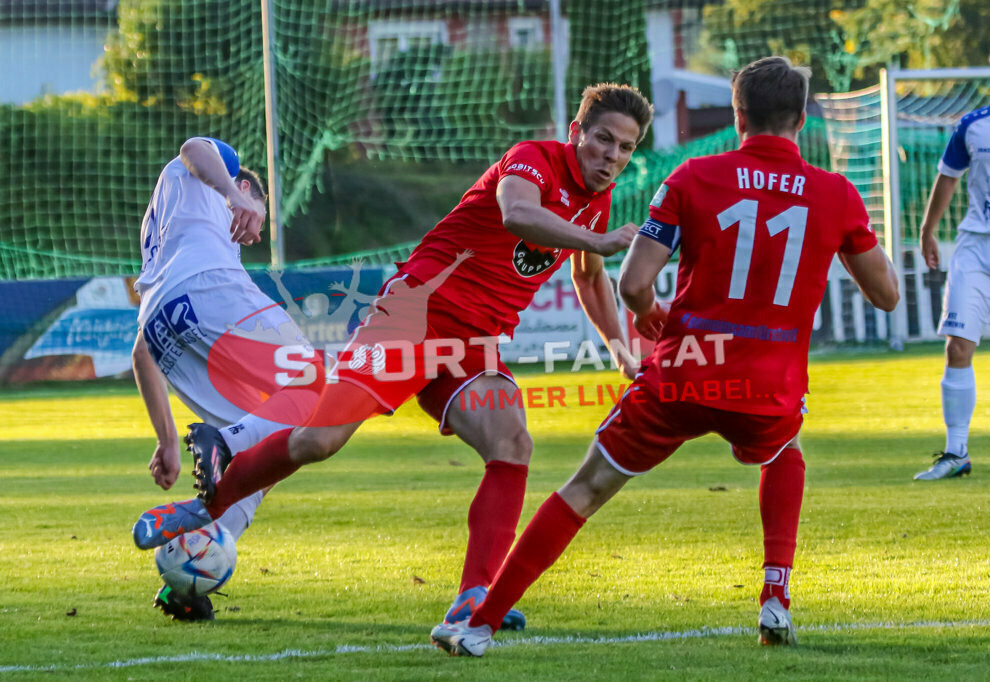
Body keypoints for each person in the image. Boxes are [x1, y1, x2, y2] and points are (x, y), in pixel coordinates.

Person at [131, 84, 656, 630]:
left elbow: (590, 280)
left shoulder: (600, 204)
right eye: (603, 140)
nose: (612, 157)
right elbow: (517, 214)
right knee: (319, 439)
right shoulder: (533, 159)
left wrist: (619, 347)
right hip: (417, 312)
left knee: (512, 442)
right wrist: (594, 242)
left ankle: (476, 597)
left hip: (474, 344)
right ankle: (203, 509)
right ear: (576, 132)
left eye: (625, 148)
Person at [428, 56, 900, 656]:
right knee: (785, 446)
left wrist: (654, 316)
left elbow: (630, 284)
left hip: (682, 371)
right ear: (802, 120)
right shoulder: (836, 193)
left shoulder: (691, 178)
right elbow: (886, 296)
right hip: (768, 384)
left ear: (737, 117)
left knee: (585, 489)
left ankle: (478, 625)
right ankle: (775, 594)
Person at [132, 137, 315, 619]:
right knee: (320, 387)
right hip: (207, 288)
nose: (254, 231)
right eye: (259, 212)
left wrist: (167, 440)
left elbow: (140, 353)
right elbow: (194, 146)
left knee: (276, 448)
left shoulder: (173, 225)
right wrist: (238, 197)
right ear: (242, 184)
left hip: (159, 322)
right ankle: (223, 444)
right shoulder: (215, 177)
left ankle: (186, 579)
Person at [914, 40, 990, 481]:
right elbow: (947, 178)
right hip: (975, 246)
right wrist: (927, 230)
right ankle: (956, 453)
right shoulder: (971, 126)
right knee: (957, 346)